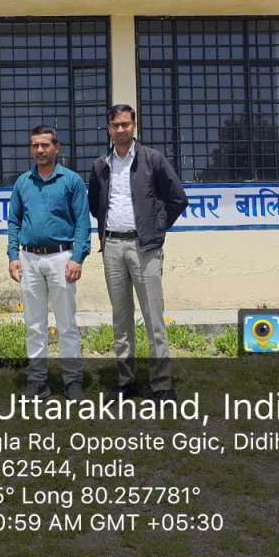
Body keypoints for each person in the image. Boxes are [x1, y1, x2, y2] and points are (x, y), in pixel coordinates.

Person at [88, 104, 188, 402]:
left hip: (145, 248)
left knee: (154, 319)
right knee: (121, 320)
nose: (121, 129)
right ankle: (125, 381)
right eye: (115, 125)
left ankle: (161, 384)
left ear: (134, 126)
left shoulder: (152, 159)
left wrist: (156, 228)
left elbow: (177, 198)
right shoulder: (101, 166)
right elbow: (95, 205)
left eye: (126, 124)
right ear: (109, 129)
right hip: (112, 248)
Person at [7, 125, 90, 400]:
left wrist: (78, 257)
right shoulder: (23, 183)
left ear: (57, 147)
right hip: (29, 258)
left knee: (67, 324)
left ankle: (72, 381)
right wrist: (13, 256)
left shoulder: (71, 181)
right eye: (35, 145)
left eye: (45, 145)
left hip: (61, 258)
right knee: (34, 324)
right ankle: (37, 381)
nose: (39, 150)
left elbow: (82, 222)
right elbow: (13, 221)